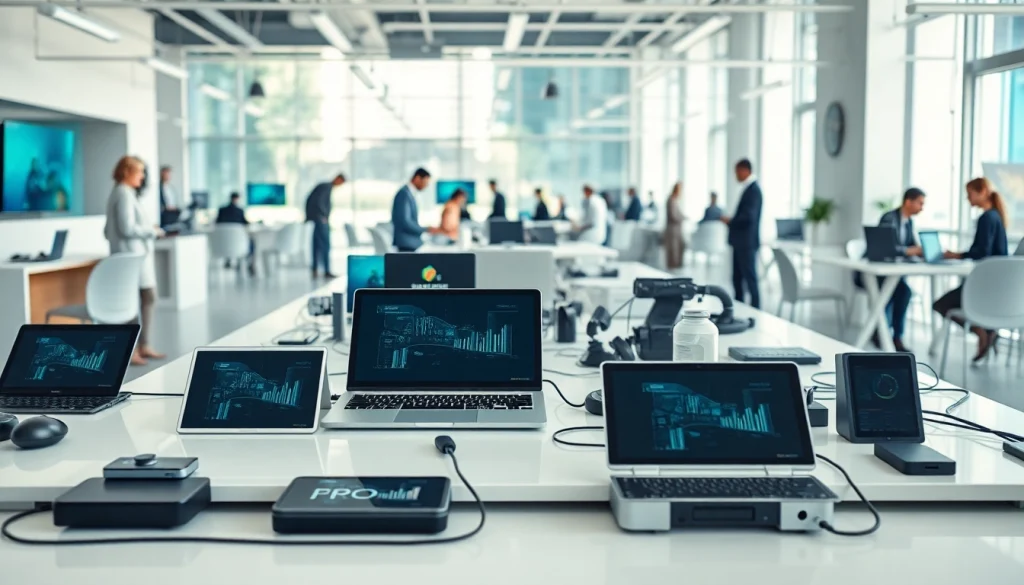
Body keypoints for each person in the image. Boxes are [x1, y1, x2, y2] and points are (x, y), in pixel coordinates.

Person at [933, 177, 1010, 362]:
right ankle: (987, 330)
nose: (968, 199)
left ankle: (981, 331)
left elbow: (981, 251)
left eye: (970, 194)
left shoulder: (986, 217)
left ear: (982, 191)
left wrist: (955, 255)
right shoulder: (996, 216)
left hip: (983, 287)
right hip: (997, 286)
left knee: (940, 305)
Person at [104, 156, 165, 366]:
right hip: (131, 256)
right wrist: (152, 231)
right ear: (127, 172)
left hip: (130, 255)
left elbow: (108, 230)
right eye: (139, 172)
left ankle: (142, 346)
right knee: (139, 300)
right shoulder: (123, 193)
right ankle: (132, 349)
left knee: (143, 298)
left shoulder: (121, 193)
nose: (142, 176)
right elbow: (127, 228)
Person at [856, 188, 926, 352]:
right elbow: (887, 247)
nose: (922, 208)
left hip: (891, 272)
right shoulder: (889, 218)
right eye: (920, 203)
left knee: (904, 292)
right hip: (874, 273)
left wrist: (919, 251)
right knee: (894, 292)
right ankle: (881, 333)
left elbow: (910, 245)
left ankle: (894, 337)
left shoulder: (909, 222)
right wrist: (910, 251)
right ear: (908, 201)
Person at [721, 159, 763, 309]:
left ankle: (755, 309)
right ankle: (739, 308)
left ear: (745, 170)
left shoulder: (754, 190)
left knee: (749, 278)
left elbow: (748, 217)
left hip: (746, 243)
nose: (736, 175)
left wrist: (730, 221)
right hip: (741, 242)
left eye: (737, 172)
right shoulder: (749, 189)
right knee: (737, 278)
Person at [305, 174, 345, 279]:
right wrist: (322, 216)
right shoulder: (326, 187)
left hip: (317, 219)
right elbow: (319, 202)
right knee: (325, 245)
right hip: (321, 220)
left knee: (317, 246)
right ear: (338, 179)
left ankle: (315, 270)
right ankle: (326, 271)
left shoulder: (324, 186)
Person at [391, 168, 432, 252]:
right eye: (425, 182)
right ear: (417, 178)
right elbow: (405, 222)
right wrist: (426, 229)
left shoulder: (409, 193)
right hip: (406, 243)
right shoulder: (404, 194)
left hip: (410, 242)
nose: (426, 186)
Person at [216, 192, 255, 274]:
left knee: (229, 240)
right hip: (238, 243)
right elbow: (245, 223)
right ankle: (250, 264)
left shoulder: (222, 210)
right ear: (237, 199)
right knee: (251, 242)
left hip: (223, 244)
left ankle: (228, 259)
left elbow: (217, 223)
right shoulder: (239, 211)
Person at [664, 182, 685, 270]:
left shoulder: (675, 200)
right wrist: (682, 218)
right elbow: (673, 216)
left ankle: (677, 267)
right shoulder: (671, 200)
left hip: (677, 229)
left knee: (680, 247)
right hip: (672, 229)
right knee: (673, 250)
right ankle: (672, 268)